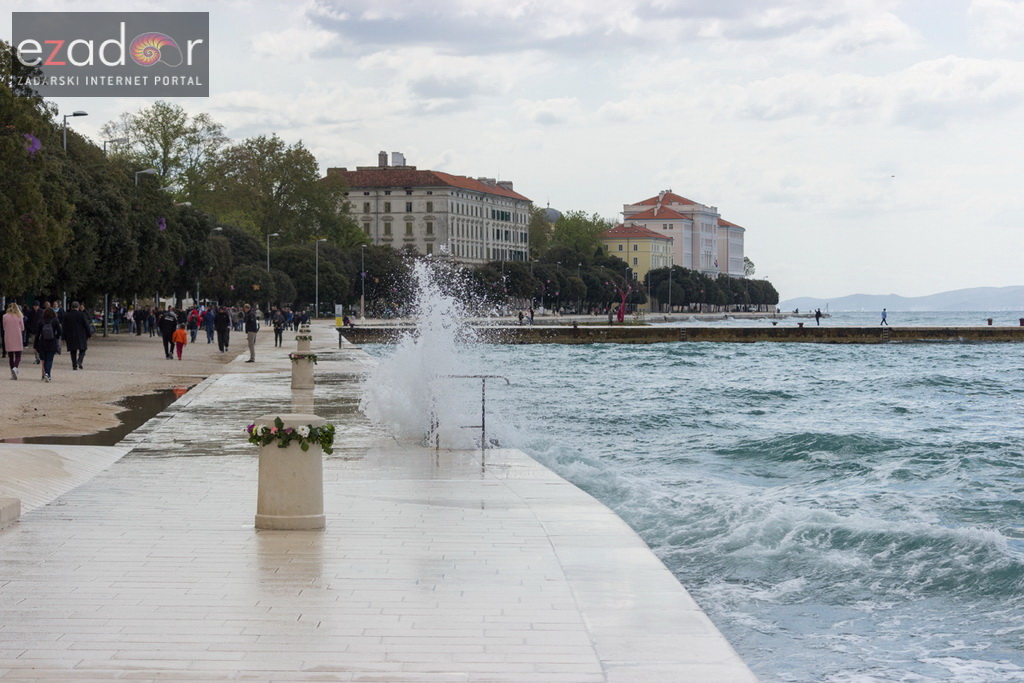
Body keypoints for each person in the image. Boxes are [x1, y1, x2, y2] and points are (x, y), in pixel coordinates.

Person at [33, 306, 62, 382]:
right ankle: (48, 374)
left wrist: (35, 345)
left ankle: (45, 373)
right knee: (49, 360)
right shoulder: (55, 320)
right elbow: (60, 332)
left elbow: (38, 334)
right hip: (52, 342)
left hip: (42, 342)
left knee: (44, 359)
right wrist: (56, 337)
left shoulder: (41, 321)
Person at [63, 301, 91, 370]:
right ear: (78, 307)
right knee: (83, 349)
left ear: (71, 307)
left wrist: (63, 337)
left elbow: (64, 327)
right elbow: (86, 325)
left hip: (70, 335)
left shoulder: (67, 315)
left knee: (73, 351)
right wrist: (89, 334)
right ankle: (79, 361)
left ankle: (74, 365)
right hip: (81, 335)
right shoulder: (82, 315)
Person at [2, 302, 25, 380]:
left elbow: (4, 327)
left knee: (10, 356)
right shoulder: (19, 316)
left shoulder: (5, 316)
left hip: (8, 337)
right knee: (18, 356)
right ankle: (15, 367)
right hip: (17, 336)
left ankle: (12, 373)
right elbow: (22, 328)